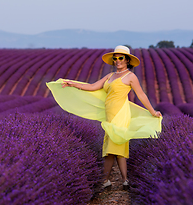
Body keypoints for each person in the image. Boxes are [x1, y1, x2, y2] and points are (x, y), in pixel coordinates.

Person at [46, 45, 162, 191]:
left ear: (127, 60)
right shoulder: (110, 76)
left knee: (113, 147)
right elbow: (93, 87)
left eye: (121, 58)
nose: (117, 60)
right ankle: (120, 181)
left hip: (120, 114)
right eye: (115, 58)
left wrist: (152, 112)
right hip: (109, 115)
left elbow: (142, 95)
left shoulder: (130, 77)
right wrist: (72, 84)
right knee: (113, 148)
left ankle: (111, 181)